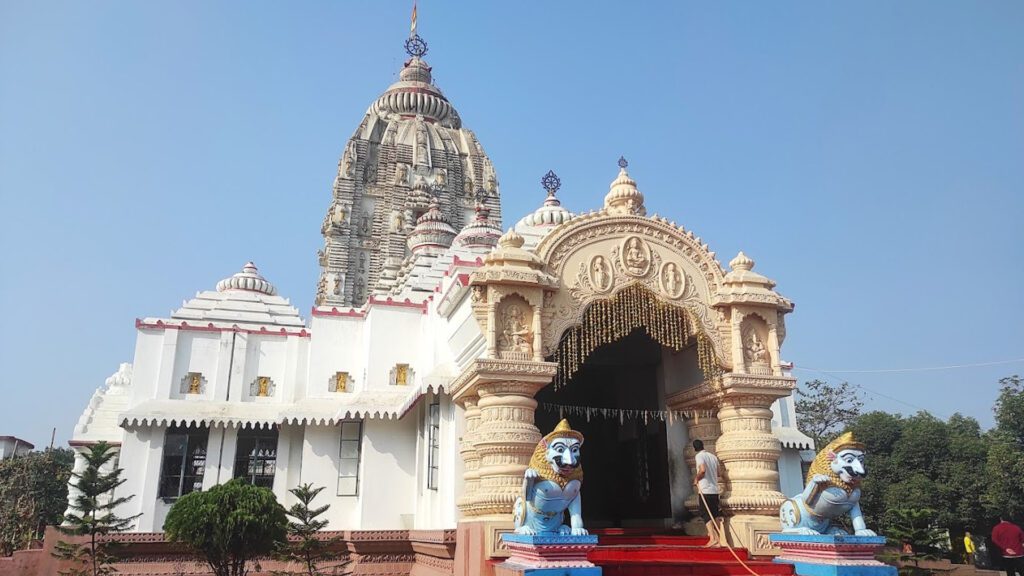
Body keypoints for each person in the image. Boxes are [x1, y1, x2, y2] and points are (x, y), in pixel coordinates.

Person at [692, 439, 724, 548]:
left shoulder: (699, 456)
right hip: (714, 490)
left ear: (695, 448)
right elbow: (719, 473)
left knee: (705, 514)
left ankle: (712, 538)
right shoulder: (713, 457)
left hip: (705, 490)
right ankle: (719, 539)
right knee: (715, 514)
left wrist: (696, 479)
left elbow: (702, 470)